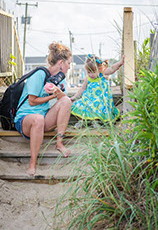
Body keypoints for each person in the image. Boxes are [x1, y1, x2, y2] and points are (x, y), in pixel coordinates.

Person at [14, 42, 72, 175]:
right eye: (68, 63)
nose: (69, 67)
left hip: (43, 118)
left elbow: (63, 100)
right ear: (61, 63)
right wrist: (52, 97)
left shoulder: (59, 79)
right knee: (38, 119)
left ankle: (59, 143)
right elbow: (32, 101)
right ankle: (32, 163)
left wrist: (59, 93)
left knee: (66, 101)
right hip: (25, 119)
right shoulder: (39, 74)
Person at [71, 54, 125, 128]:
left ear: (100, 69)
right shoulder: (87, 79)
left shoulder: (103, 74)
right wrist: (74, 97)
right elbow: (82, 88)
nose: (91, 75)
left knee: (97, 107)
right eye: (89, 72)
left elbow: (112, 69)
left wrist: (120, 62)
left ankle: (95, 122)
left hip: (100, 100)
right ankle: (82, 120)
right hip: (89, 98)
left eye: (93, 72)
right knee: (82, 106)